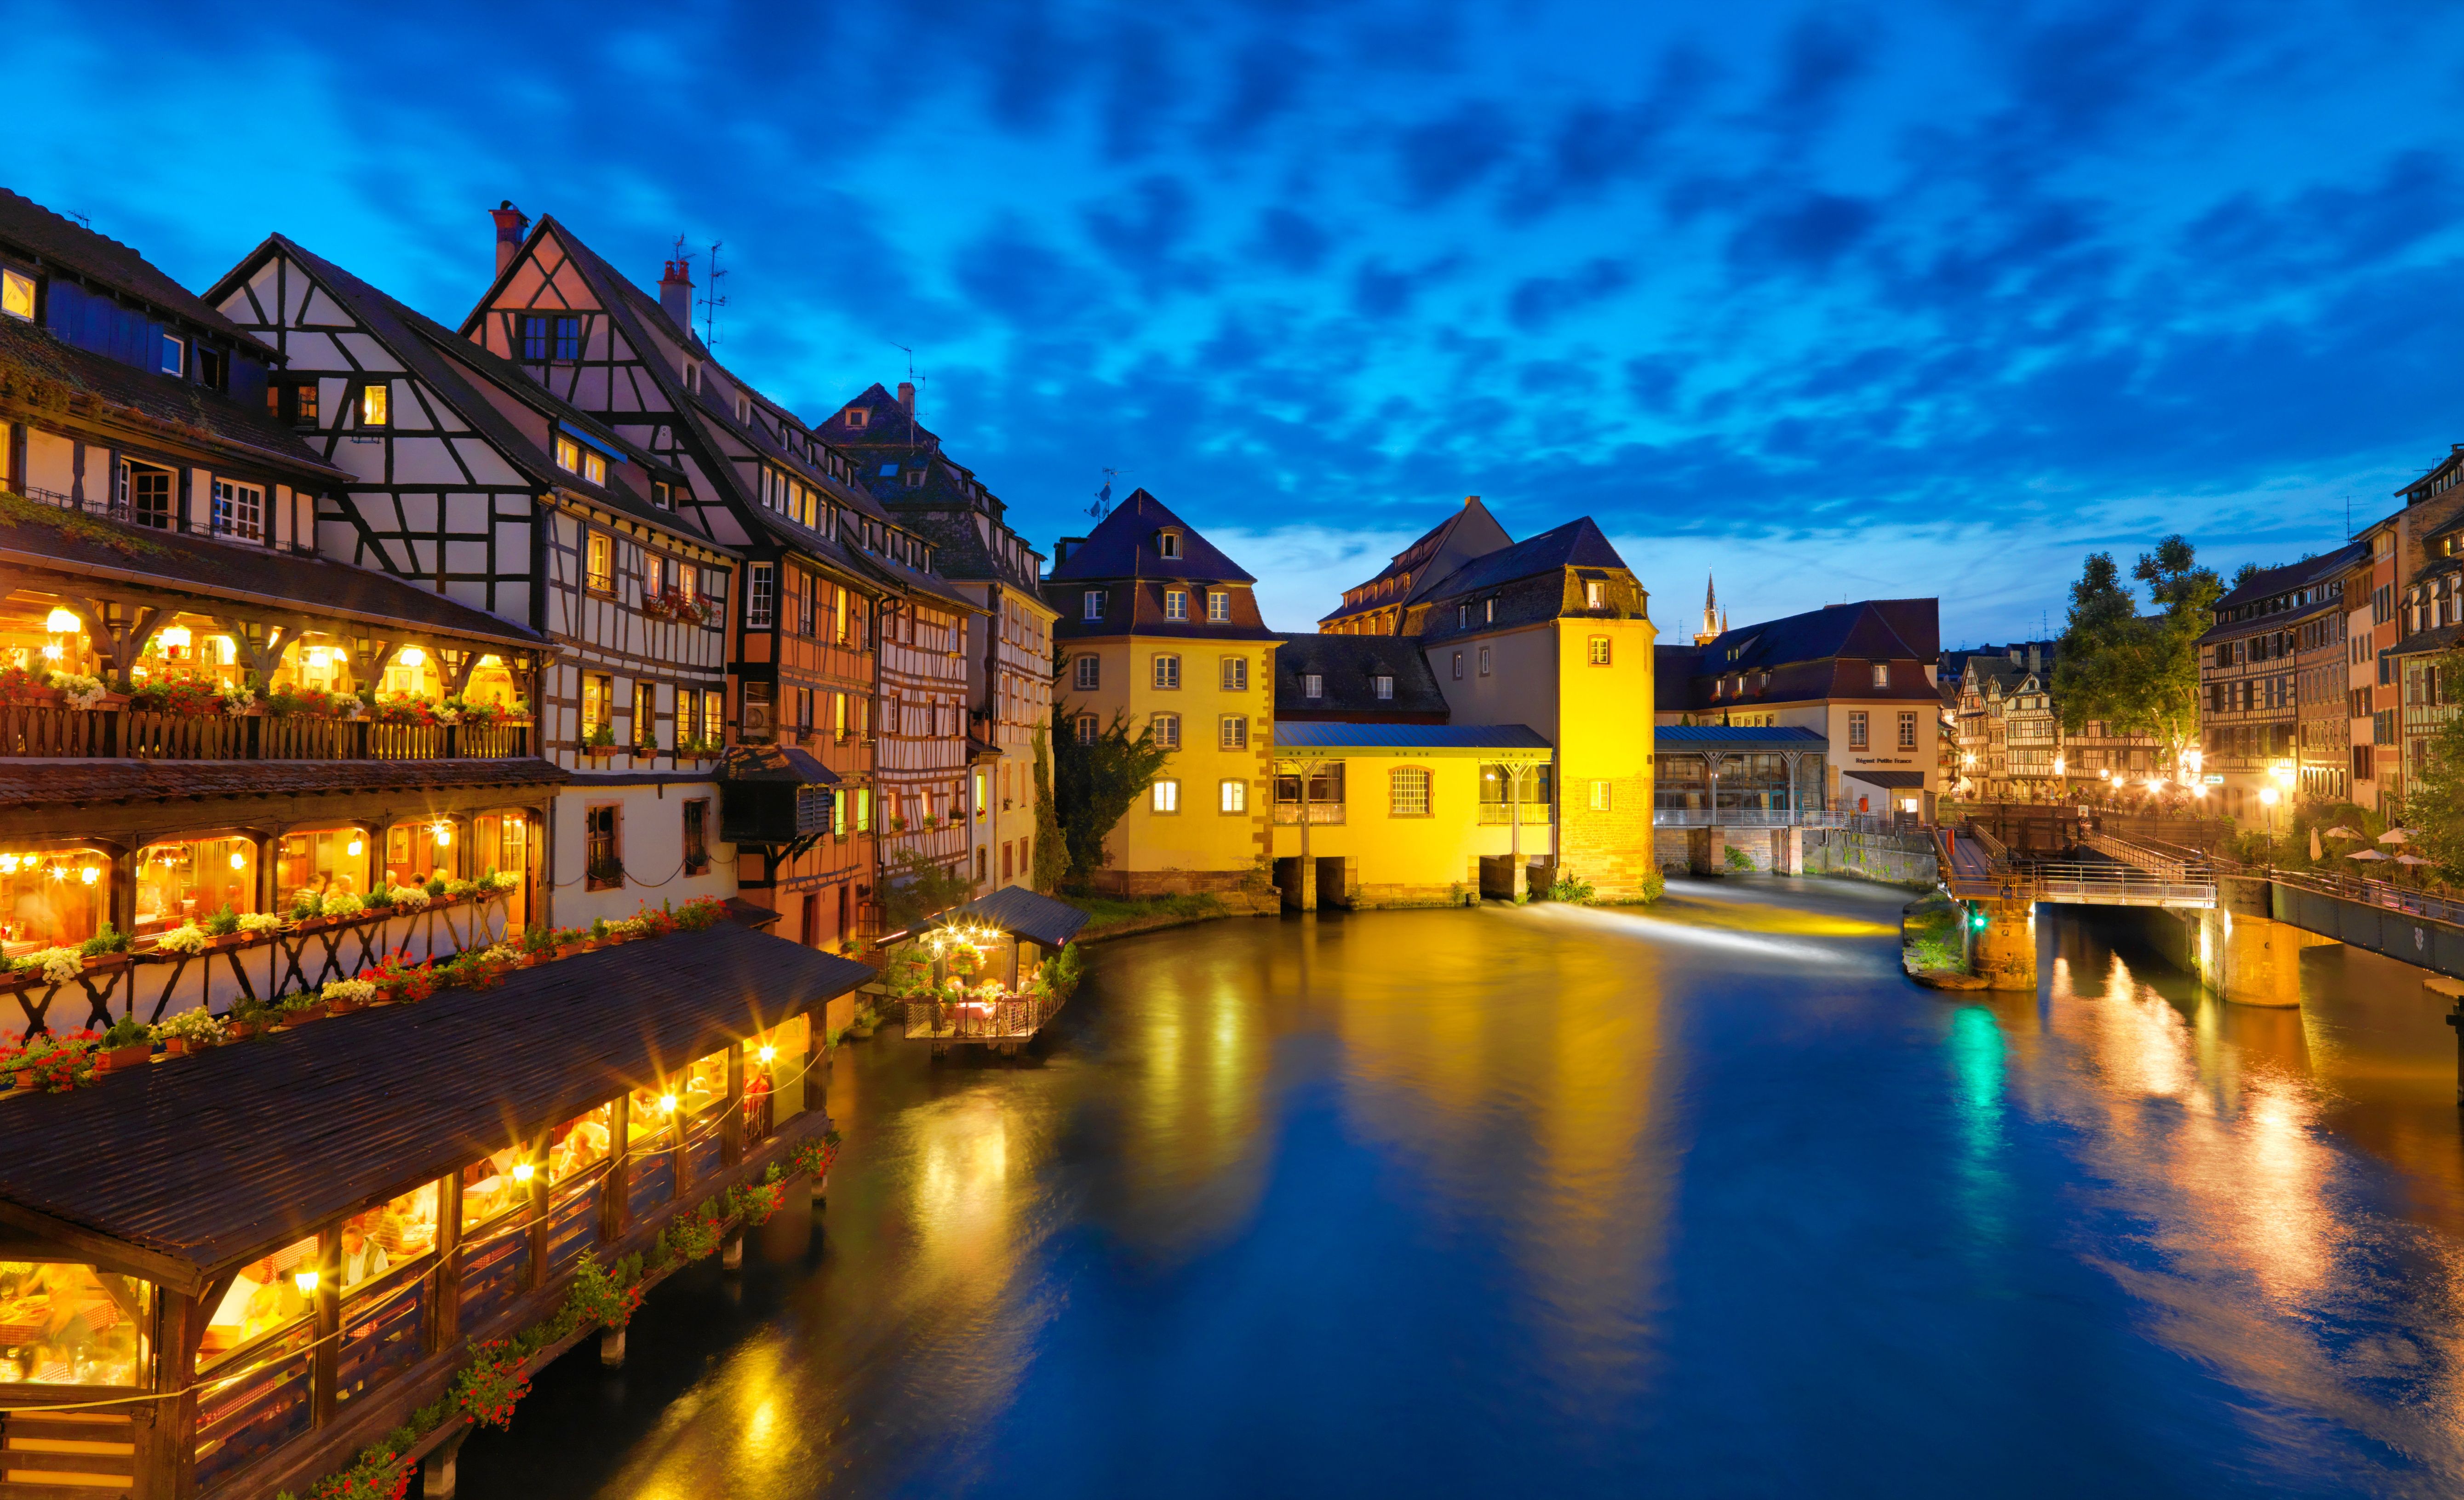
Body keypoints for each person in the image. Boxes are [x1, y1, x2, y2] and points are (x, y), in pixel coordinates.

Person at [339, 1219, 388, 1288]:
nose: (345, 1247)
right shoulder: (344, 1253)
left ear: (360, 1240)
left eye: (349, 1243)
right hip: (348, 1291)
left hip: (368, 1292)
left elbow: (384, 1280)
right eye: (343, 1243)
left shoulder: (377, 1251)